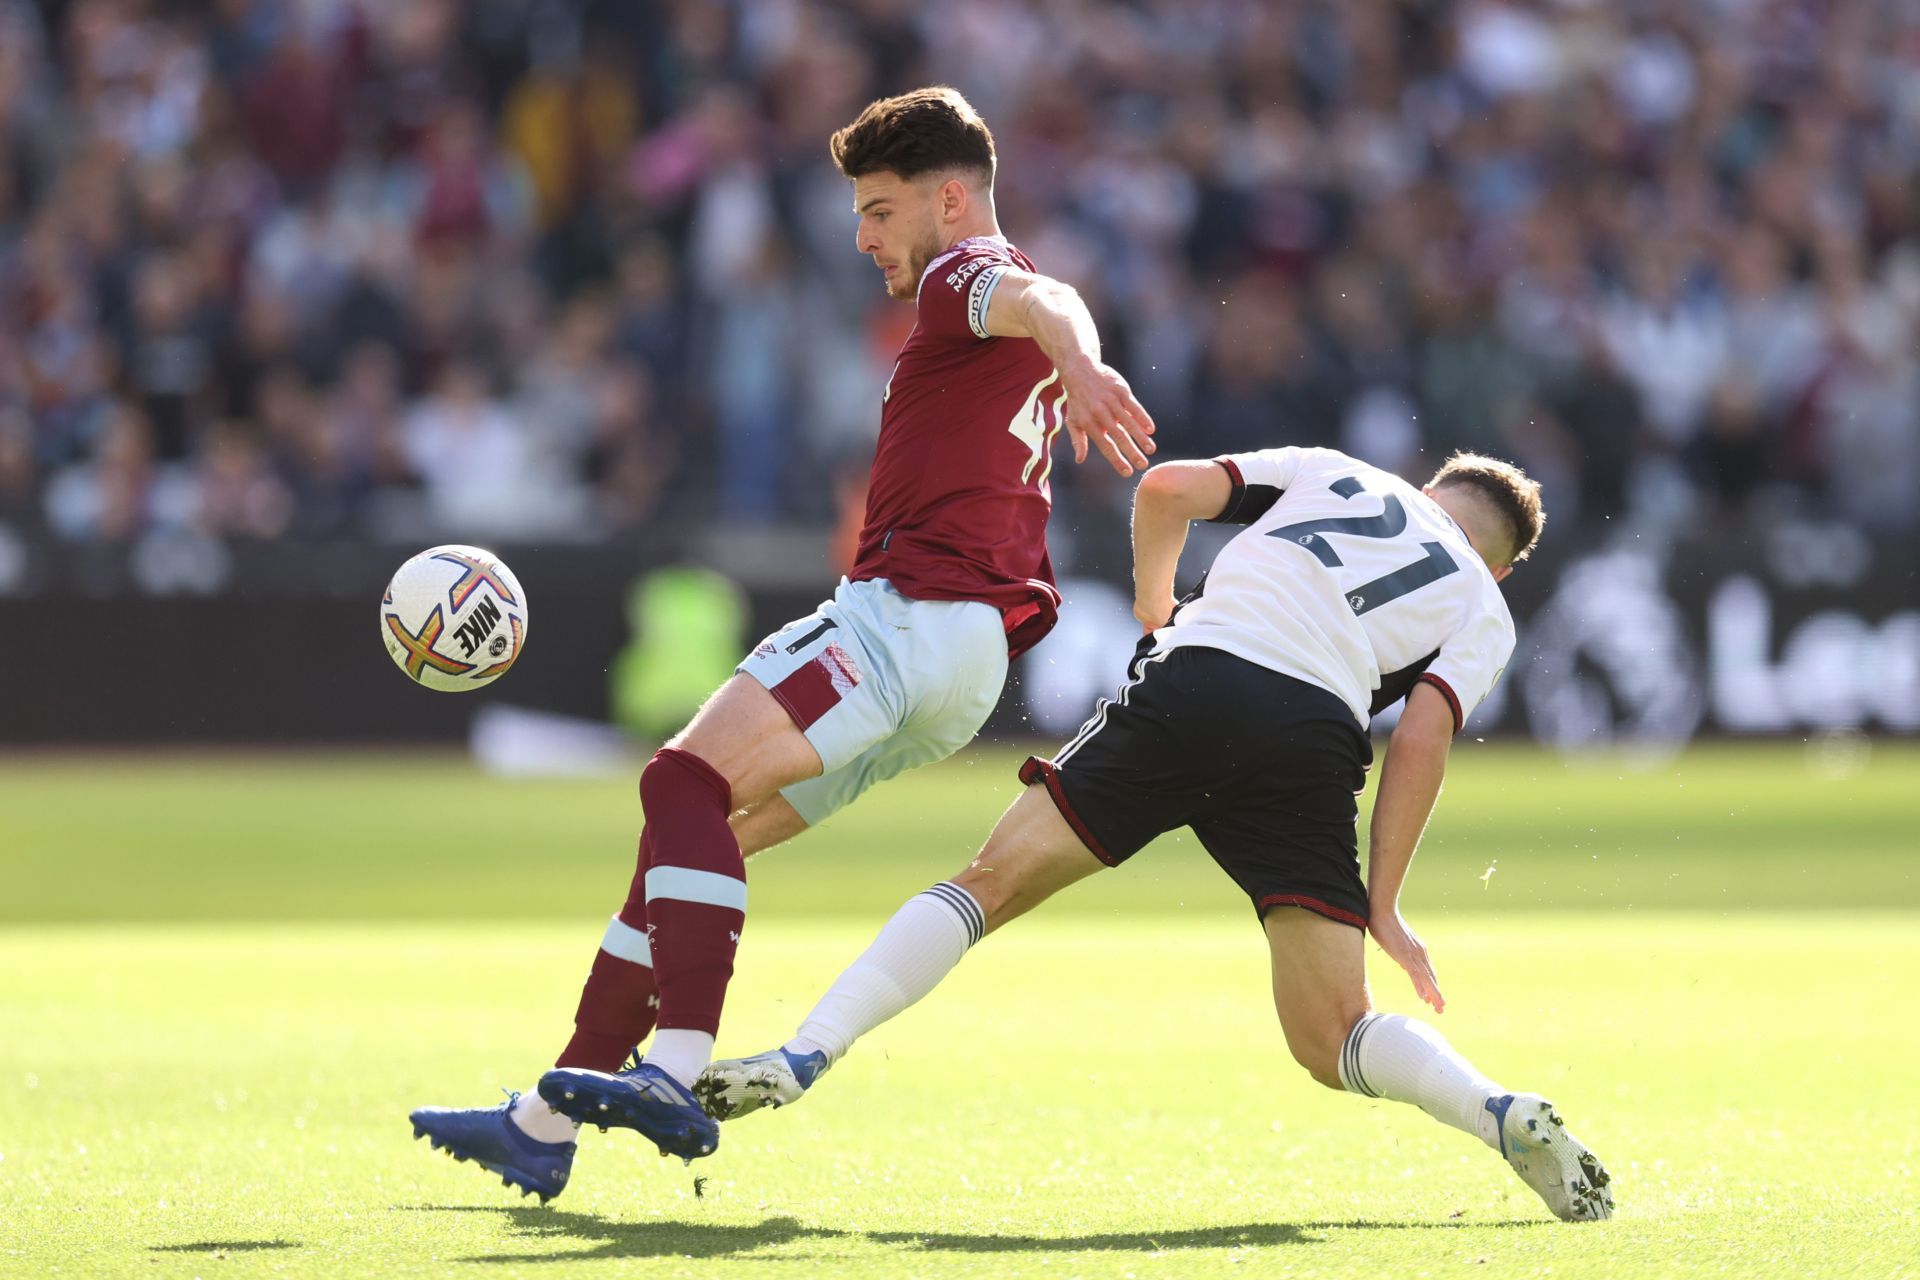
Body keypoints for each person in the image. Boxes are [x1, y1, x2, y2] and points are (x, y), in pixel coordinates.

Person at [409, 85, 1156, 1200]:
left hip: (906, 617)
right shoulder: (989, 300)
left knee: (678, 780)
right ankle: (547, 1114)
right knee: (682, 845)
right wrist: (1078, 356)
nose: (862, 236)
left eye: (881, 210)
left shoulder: (965, 277)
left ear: (951, 201)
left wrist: (1085, 361)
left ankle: (670, 1067)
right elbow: (1054, 304)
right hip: (969, 666)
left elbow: (1044, 299)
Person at [695, 446, 1616, 1223]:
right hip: (1309, 741)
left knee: (988, 885)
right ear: (1499, 564)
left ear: (1426, 489)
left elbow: (1167, 488)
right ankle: (1495, 1111)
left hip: (1200, 677)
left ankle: (805, 1051)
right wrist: (1387, 903)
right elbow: (1421, 738)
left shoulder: (1337, 473)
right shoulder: (1482, 606)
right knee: (1333, 1035)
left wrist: (1152, 601)